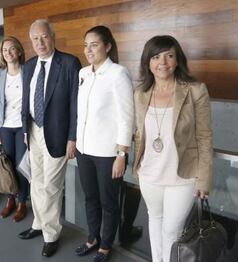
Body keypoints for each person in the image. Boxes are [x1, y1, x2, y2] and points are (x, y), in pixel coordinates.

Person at [133, 35, 213, 262]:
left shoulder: (195, 90)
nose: (163, 62)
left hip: (183, 176)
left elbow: (205, 136)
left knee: (172, 230)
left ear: (178, 60)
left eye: (169, 55)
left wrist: (204, 178)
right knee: (154, 219)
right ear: (148, 62)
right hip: (149, 174)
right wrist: (137, 167)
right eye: (156, 56)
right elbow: (140, 134)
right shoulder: (141, 93)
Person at [17, 19, 81, 257]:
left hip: (57, 134)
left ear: (53, 37)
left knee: (51, 187)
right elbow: (26, 101)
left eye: (44, 37)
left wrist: (72, 137)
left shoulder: (69, 63)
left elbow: (75, 104)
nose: (40, 42)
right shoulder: (29, 65)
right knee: (36, 181)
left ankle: (51, 234)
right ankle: (38, 224)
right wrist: (25, 130)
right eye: (35, 39)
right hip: (33, 130)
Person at [74, 25, 134, 262]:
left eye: (94, 44)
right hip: (84, 149)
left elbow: (127, 117)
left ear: (107, 46)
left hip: (108, 152)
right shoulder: (83, 73)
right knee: (90, 198)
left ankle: (106, 245)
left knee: (108, 201)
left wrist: (121, 153)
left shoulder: (118, 74)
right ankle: (93, 238)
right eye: (86, 45)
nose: (88, 49)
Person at [0, 36, 29, 222]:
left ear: (19, 51)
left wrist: (31, 130)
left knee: (21, 167)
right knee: (8, 165)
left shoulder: (27, 71)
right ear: (2, 54)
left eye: (12, 49)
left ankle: (22, 203)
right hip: (5, 126)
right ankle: (10, 200)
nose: (8, 53)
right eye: (5, 50)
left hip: (22, 127)